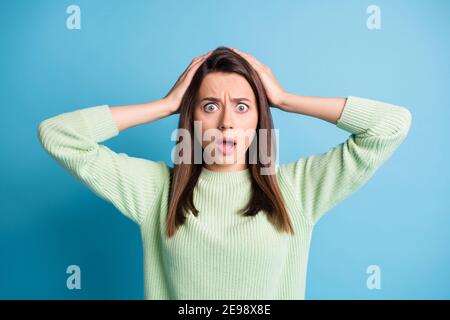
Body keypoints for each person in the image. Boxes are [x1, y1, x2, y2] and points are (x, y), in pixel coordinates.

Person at [37, 46, 412, 299]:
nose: (227, 123)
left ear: (260, 118)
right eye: (211, 105)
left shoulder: (297, 188)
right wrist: (166, 104)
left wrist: (284, 99)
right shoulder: (155, 190)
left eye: (244, 106)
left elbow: (390, 126)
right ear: (192, 117)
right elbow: (59, 136)